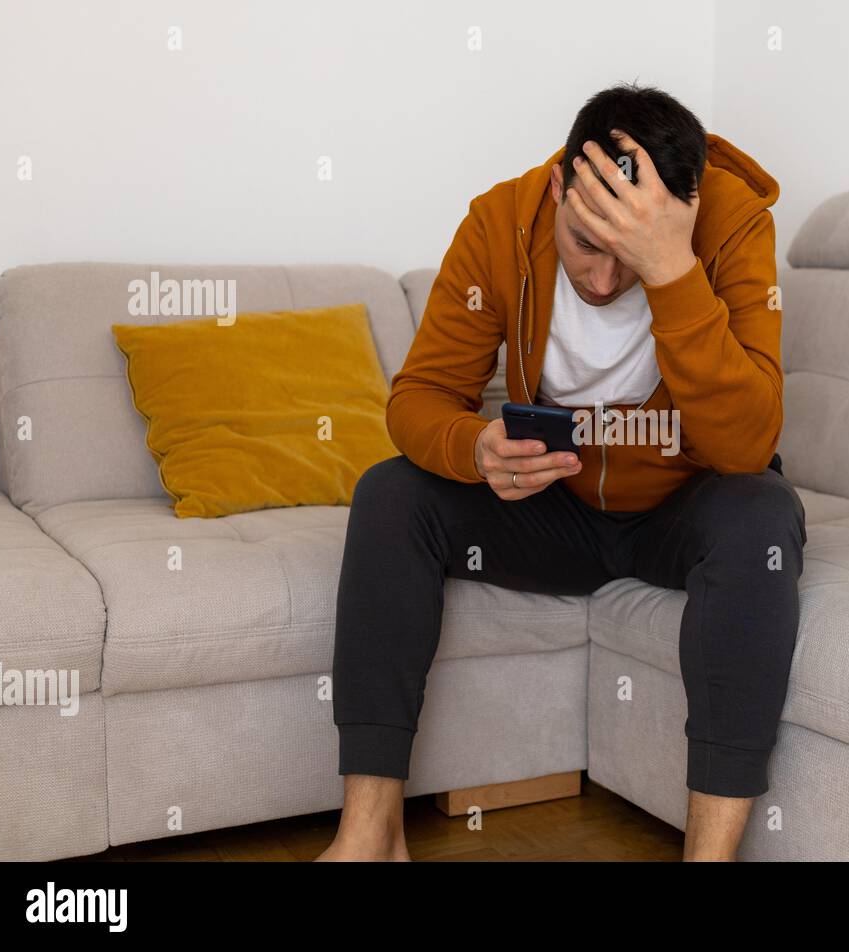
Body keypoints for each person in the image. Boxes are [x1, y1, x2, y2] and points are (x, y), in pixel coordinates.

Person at [318, 82, 805, 862]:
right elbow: (418, 399)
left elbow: (748, 442)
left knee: (763, 514)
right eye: (585, 244)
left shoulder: (734, 221)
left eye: (630, 260)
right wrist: (475, 447)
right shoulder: (500, 220)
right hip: (555, 506)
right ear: (558, 189)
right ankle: (369, 838)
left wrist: (674, 271)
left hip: (682, 510)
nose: (605, 284)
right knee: (390, 493)